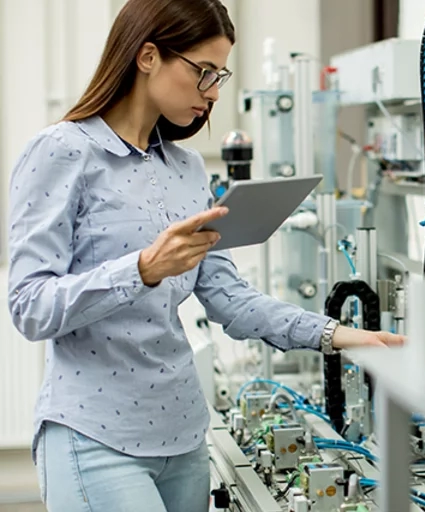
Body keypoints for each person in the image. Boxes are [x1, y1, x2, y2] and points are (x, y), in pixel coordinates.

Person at [6, 0, 404, 510]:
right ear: (148, 56)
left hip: (185, 438)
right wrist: (143, 269)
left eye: (221, 74)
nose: (214, 92)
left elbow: (230, 301)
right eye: (205, 73)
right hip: (96, 438)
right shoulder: (63, 152)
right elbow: (30, 306)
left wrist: (343, 336)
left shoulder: (188, 168)